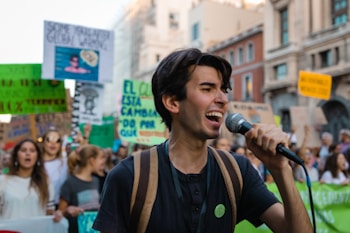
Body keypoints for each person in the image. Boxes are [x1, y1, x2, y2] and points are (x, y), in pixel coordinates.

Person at [93, 48, 312, 233]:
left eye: (223, 90)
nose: (223, 99)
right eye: (207, 89)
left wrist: (280, 168)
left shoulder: (237, 171)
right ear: (172, 102)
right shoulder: (129, 176)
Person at [0, 139, 62, 222]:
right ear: (16, 156)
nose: (28, 153)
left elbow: (49, 212)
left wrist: (57, 214)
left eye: (32, 151)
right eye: (23, 150)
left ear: (37, 157)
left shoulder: (45, 181)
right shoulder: (3, 180)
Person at [58, 144, 106, 233]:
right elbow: (59, 213)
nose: (103, 162)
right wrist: (68, 210)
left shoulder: (96, 181)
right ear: (92, 160)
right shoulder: (70, 183)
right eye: (101, 158)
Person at [41, 128, 68, 209]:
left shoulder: (65, 163)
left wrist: (85, 137)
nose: (53, 143)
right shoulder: (35, 164)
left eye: (57, 140)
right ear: (43, 143)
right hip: (39, 207)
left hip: (60, 208)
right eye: (49, 140)